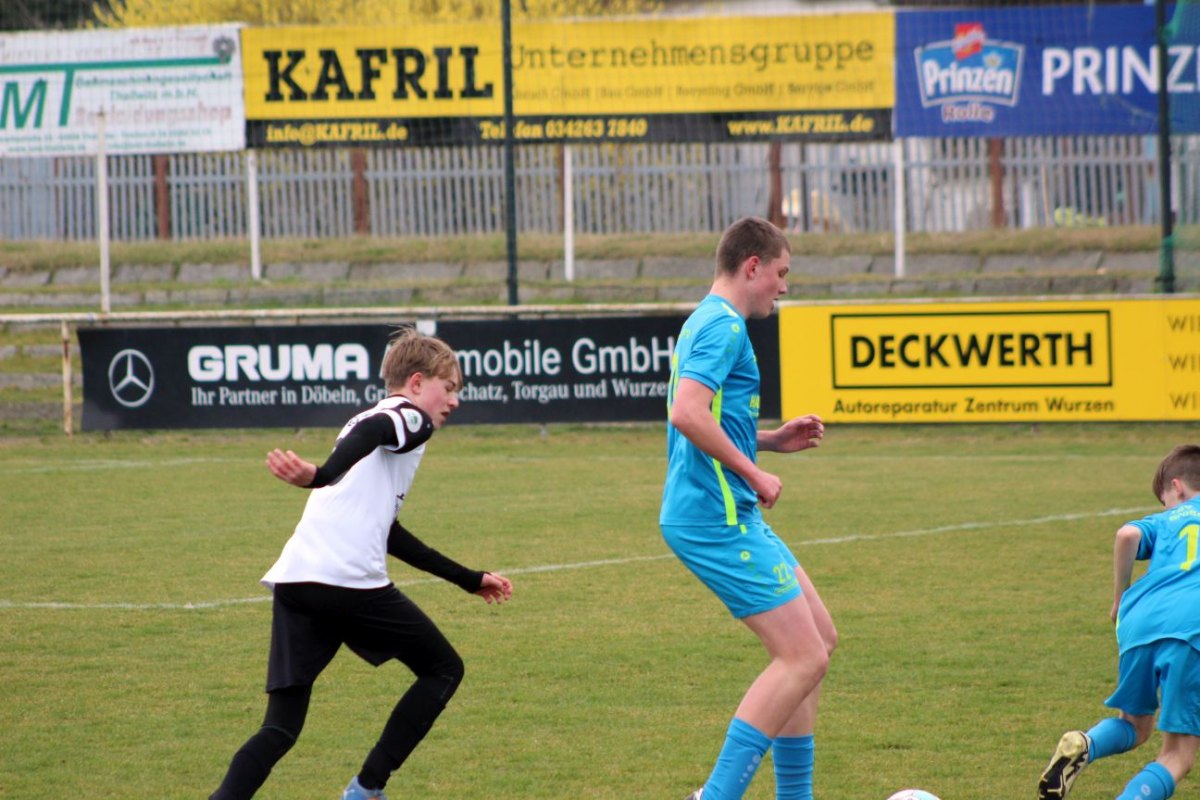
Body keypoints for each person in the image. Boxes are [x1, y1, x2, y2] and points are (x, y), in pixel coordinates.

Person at [209, 326, 513, 800]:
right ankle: (366, 789)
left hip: (298, 580)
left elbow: (387, 531)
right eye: (449, 387)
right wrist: (321, 474)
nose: (454, 401)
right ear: (417, 383)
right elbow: (379, 433)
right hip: (346, 581)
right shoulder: (409, 417)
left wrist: (467, 579)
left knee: (280, 728)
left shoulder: (365, 419)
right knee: (443, 669)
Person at [659, 216, 836, 800]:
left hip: (725, 509)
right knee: (801, 657)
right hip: (715, 515)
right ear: (752, 266)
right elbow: (687, 413)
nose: (784, 287)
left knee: (818, 640)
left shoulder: (706, 319)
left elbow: (703, 418)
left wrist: (770, 442)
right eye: (781, 273)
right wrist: (754, 471)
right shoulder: (724, 326)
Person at [1038, 444, 1200, 800]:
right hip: (1191, 625)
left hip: (1138, 619)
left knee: (1135, 725)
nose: (1166, 507)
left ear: (1177, 487)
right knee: (1178, 754)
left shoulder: (1165, 521)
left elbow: (1126, 535)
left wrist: (1118, 599)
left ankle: (1085, 743)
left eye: (1163, 500)